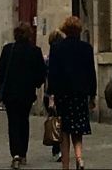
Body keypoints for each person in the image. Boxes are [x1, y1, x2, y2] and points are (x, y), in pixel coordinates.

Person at [47, 16, 97, 170]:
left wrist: (51, 94)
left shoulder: (57, 48)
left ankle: (65, 165)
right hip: (80, 93)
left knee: (64, 131)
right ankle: (79, 158)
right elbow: (91, 73)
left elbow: (52, 73)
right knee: (78, 128)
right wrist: (92, 95)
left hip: (63, 94)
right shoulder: (86, 48)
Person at [0, 22, 47, 170]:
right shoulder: (35, 51)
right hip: (27, 93)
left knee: (13, 122)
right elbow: (41, 74)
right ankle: (23, 153)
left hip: (10, 93)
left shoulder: (8, 50)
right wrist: (34, 84)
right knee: (24, 121)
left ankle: (16, 154)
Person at [44, 29, 64, 163]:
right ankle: (60, 148)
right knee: (61, 122)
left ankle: (56, 149)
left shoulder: (48, 59)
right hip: (62, 93)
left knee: (54, 121)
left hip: (50, 94)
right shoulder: (65, 58)